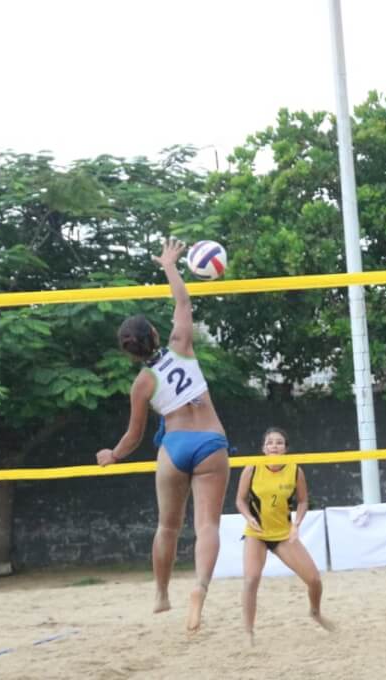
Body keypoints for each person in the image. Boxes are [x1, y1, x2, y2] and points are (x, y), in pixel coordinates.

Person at [96, 236, 231, 633]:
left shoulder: (141, 383)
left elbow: (134, 436)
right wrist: (170, 265)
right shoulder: (181, 345)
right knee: (207, 526)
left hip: (173, 448)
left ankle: (161, 594)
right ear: (155, 333)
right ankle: (200, 590)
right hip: (209, 442)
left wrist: (112, 456)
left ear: (131, 351)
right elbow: (184, 303)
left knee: (167, 527)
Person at [235, 427, 333, 645]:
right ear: (263, 448)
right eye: (270, 443)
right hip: (257, 533)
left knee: (314, 580)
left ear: (286, 448)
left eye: (279, 442)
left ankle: (315, 612)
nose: (274, 446)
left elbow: (303, 501)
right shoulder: (252, 468)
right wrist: (248, 516)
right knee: (251, 579)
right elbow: (240, 500)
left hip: (283, 534)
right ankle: (248, 632)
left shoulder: (295, 470)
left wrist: (296, 524)